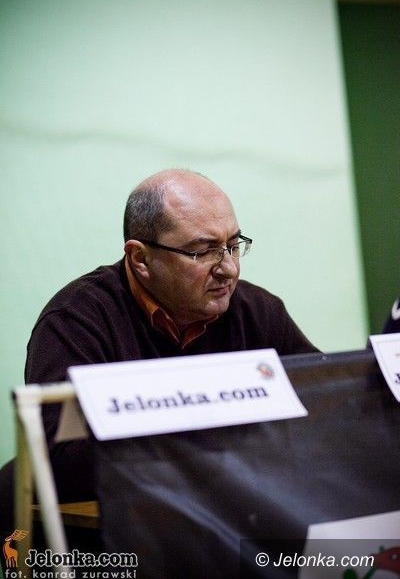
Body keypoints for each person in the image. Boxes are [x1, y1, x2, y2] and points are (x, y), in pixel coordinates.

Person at [1, 169, 317, 528]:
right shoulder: (76, 320)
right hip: (93, 533)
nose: (229, 269)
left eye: (232, 245)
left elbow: (325, 406)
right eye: (203, 251)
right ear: (140, 259)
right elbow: (57, 459)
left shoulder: (257, 311)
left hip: (212, 518)